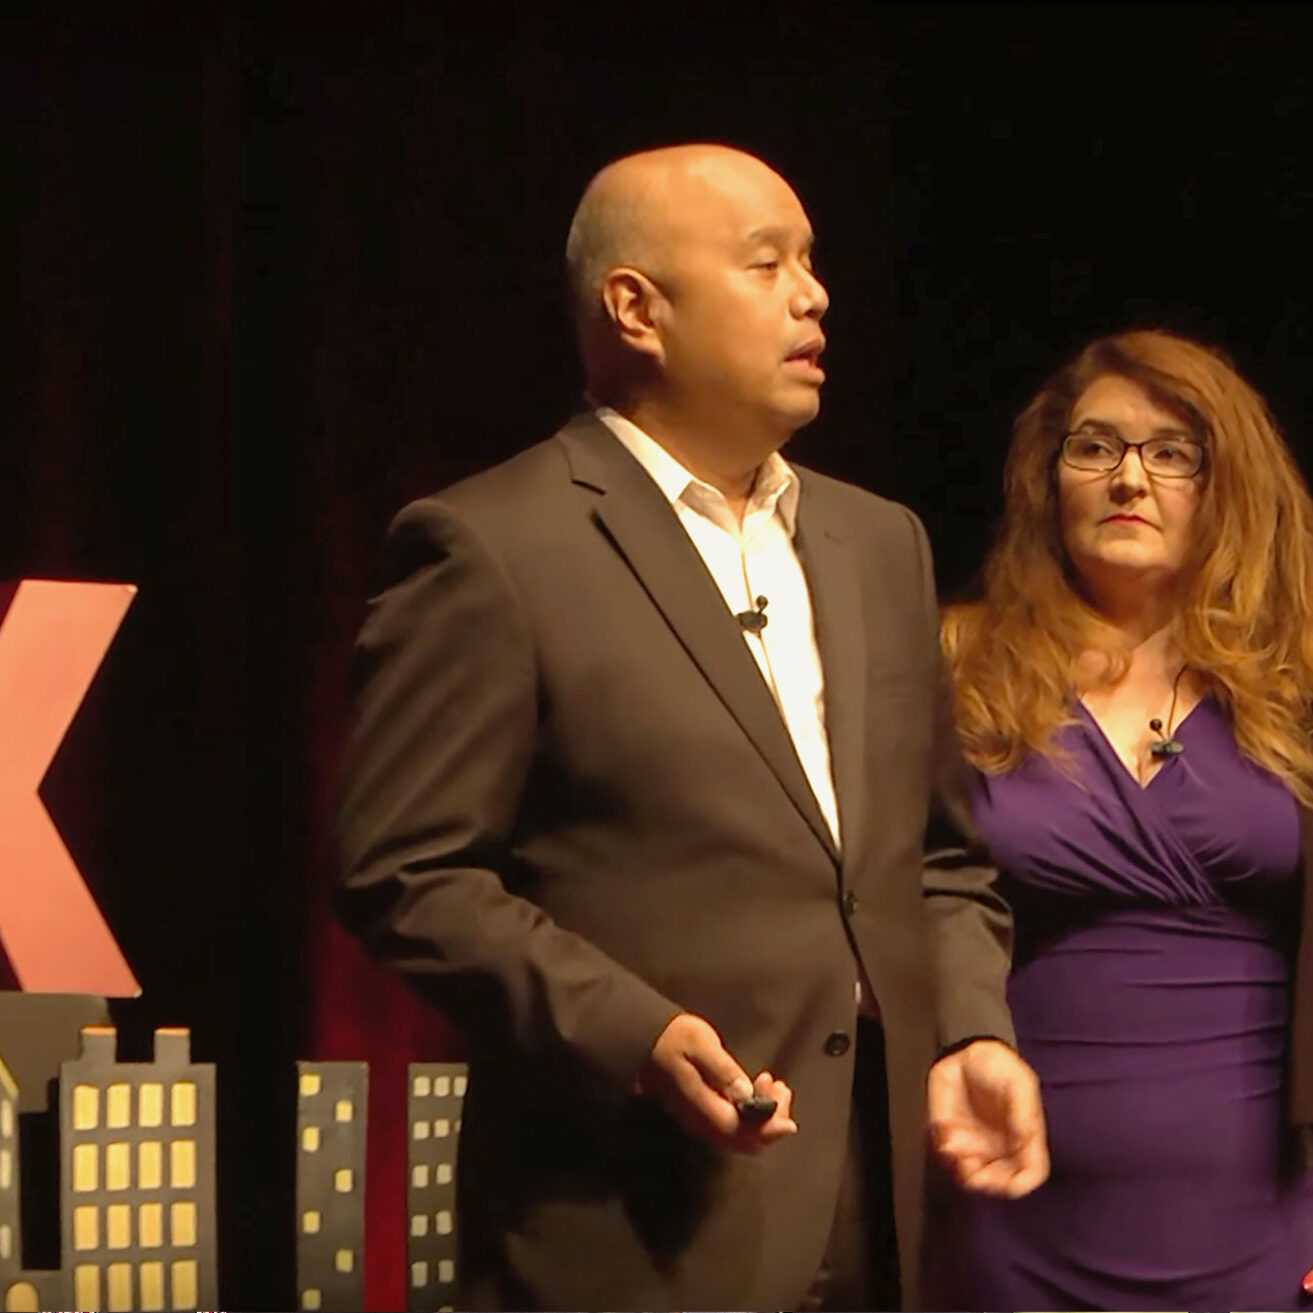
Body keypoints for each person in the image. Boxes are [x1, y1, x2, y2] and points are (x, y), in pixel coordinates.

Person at [335, 142, 1045, 1312]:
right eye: (765, 263)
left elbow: (939, 859)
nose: (811, 295)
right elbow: (402, 872)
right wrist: (633, 1031)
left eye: (811, 263)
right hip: (632, 1228)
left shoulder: (881, 543)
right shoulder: (492, 547)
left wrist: (972, 1028)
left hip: (879, 1217)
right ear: (636, 309)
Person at [927, 328, 1313, 1310]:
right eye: (1093, 446)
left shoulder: (1297, 678)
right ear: (1047, 478)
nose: (1126, 477)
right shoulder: (956, 665)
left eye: (1169, 451)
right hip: (1007, 1205)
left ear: (1228, 485)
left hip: (1265, 1220)